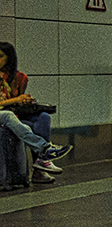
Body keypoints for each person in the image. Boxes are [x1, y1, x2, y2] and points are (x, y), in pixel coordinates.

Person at [0, 41, 71, 186]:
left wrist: (23, 101)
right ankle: (45, 149)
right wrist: (15, 99)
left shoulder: (19, 78)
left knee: (43, 117)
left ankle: (41, 161)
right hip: (6, 116)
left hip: (15, 115)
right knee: (20, 125)